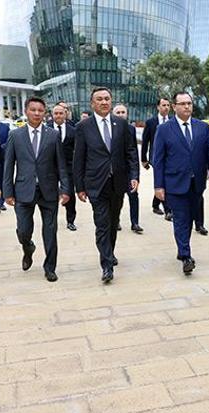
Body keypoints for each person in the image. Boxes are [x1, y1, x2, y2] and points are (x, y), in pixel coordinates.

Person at [73, 88, 139, 283]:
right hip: (96, 183)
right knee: (102, 223)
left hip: (118, 182)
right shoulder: (83, 127)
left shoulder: (122, 124)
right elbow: (79, 158)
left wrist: (134, 176)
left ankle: (109, 252)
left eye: (107, 99)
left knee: (113, 221)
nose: (104, 102)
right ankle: (107, 265)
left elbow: (131, 152)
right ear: (92, 103)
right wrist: (79, 187)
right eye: (99, 99)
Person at [3, 97, 71, 282]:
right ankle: (28, 248)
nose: (36, 113)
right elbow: (8, 165)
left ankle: (50, 268)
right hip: (23, 190)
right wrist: (7, 192)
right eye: (33, 110)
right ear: (26, 111)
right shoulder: (15, 135)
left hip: (48, 190)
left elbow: (61, 164)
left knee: (50, 231)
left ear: (44, 113)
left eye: (40, 110)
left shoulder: (53, 135)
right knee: (23, 230)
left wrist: (65, 188)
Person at [152, 92, 209, 274]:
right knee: (181, 218)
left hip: (197, 183)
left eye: (189, 103)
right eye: (182, 104)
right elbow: (158, 159)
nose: (187, 106)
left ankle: (182, 248)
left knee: (189, 218)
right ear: (174, 107)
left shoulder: (202, 127)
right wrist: (158, 185)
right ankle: (186, 256)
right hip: (174, 183)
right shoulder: (164, 129)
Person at [112, 103, 144, 233]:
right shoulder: (109, 128)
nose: (121, 115)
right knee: (117, 198)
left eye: (123, 112)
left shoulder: (131, 129)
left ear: (127, 114)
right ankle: (116, 220)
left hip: (129, 170)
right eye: (118, 112)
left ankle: (135, 223)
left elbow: (133, 152)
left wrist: (135, 175)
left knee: (133, 196)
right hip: (116, 171)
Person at [141, 97, 172, 219]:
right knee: (163, 181)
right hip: (156, 158)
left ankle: (155, 204)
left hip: (170, 157)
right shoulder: (151, 122)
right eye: (164, 105)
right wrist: (143, 159)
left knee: (165, 182)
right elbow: (145, 141)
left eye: (168, 105)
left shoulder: (173, 121)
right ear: (158, 107)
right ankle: (168, 210)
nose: (166, 107)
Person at [49, 103, 77, 231]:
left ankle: (70, 220)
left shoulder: (73, 130)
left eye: (61, 113)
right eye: (56, 113)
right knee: (50, 195)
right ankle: (51, 220)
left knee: (70, 194)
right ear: (52, 115)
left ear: (65, 114)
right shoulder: (46, 129)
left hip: (68, 168)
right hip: (51, 168)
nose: (58, 115)